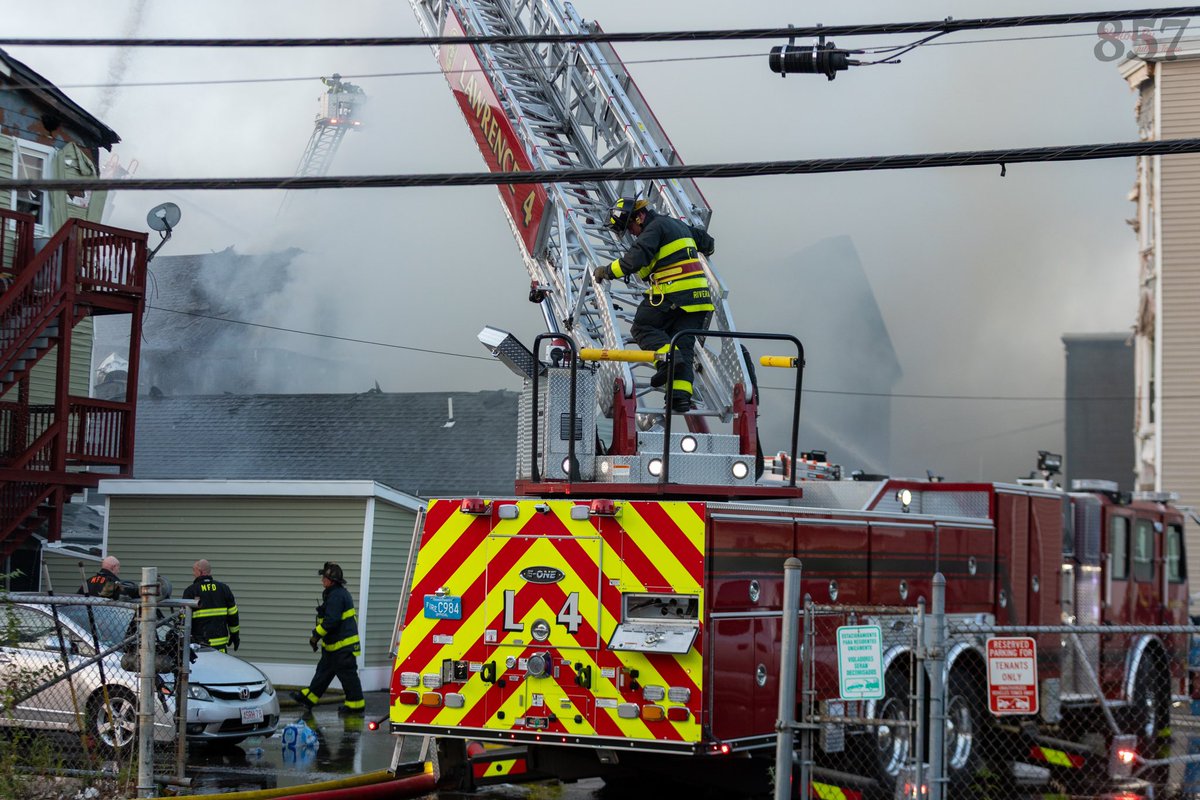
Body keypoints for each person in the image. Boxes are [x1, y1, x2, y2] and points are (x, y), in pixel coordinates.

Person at [592, 197, 716, 412]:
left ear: (639, 217)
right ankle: (679, 397)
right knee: (683, 346)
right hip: (699, 300)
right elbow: (708, 243)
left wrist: (607, 271)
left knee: (643, 327)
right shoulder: (677, 225)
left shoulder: (653, 228)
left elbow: (633, 260)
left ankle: (667, 359)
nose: (632, 233)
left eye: (630, 227)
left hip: (674, 293)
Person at [290, 563, 365, 715]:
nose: (322, 580)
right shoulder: (334, 593)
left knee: (348, 676)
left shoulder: (336, 596)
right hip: (334, 647)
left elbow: (331, 621)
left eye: (324, 577)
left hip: (343, 647)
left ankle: (355, 705)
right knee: (322, 673)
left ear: (331, 580)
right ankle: (309, 698)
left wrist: (315, 636)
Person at [182, 559, 241, 652]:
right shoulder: (224, 589)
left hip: (199, 645)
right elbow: (233, 615)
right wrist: (235, 635)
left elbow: (183, 619)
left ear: (200, 571)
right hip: (220, 644)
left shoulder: (191, 591)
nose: (193, 574)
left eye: (194, 571)